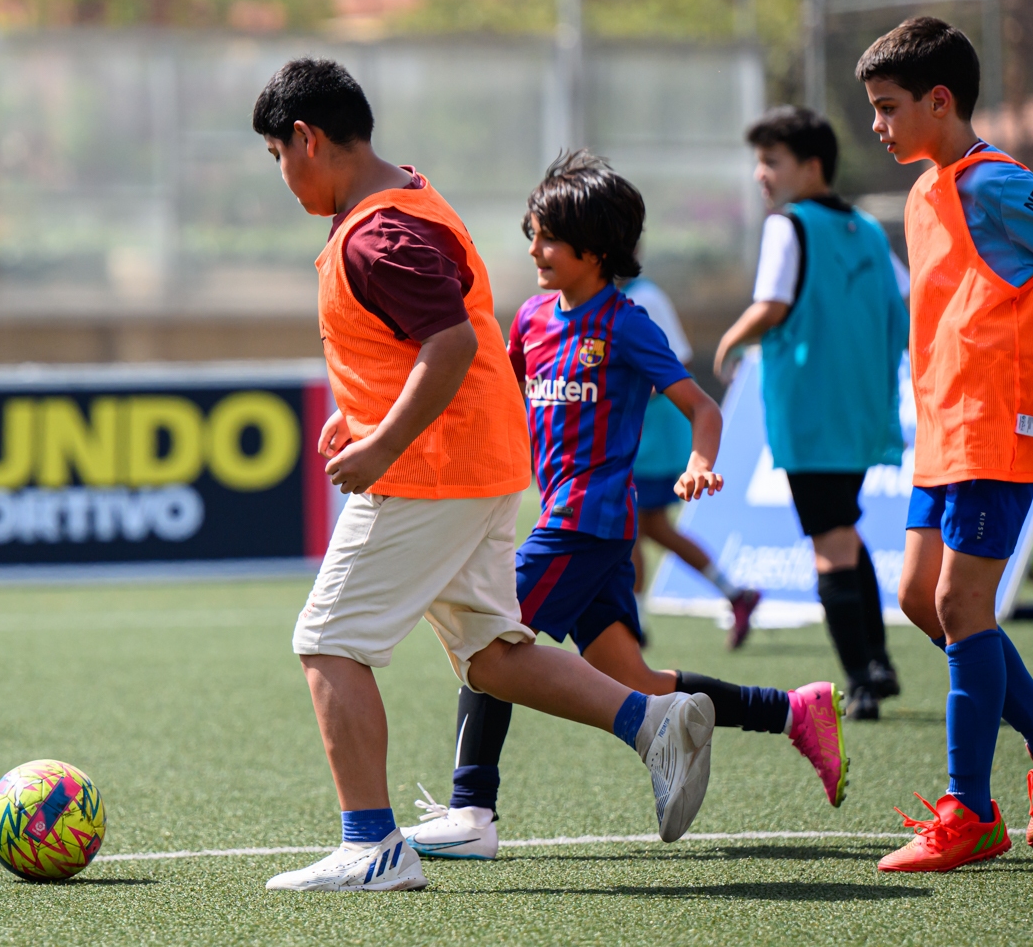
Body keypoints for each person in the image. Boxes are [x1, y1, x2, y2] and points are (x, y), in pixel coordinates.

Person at [254, 60, 717, 893]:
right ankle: (652, 721)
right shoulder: (407, 201)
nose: (281, 175)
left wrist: (384, 443)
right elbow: (425, 341)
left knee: (327, 642)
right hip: (479, 461)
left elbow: (452, 345)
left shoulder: (377, 234)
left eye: (277, 156)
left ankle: (372, 847)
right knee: (493, 656)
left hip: (431, 471)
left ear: (306, 138)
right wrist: (362, 415)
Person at [399, 152, 848, 862]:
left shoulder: (626, 324)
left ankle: (472, 810)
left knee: (490, 640)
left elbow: (702, 408)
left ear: (598, 250)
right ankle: (794, 711)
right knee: (633, 681)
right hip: (566, 521)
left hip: (588, 524)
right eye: (532, 233)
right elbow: (496, 401)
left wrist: (700, 464)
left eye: (550, 238)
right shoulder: (532, 320)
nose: (534, 250)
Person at [856, 17, 1033, 872]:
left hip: (999, 423)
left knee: (961, 605)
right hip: (943, 429)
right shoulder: (922, 192)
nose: (877, 124)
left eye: (889, 107)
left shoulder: (996, 182)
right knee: (919, 597)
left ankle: (969, 811)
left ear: (940, 101)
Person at [712, 107, 909, 718]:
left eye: (771, 161)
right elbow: (903, 300)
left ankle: (862, 678)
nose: (760, 174)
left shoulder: (788, 225)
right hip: (863, 409)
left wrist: (730, 339)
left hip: (809, 414)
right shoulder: (867, 229)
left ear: (811, 166)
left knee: (829, 541)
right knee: (844, 529)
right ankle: (879, 661)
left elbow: (772, 304)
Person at [618, 273, 761, 648]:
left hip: (654, 430)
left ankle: (635, 624)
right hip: (639, 429)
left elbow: (676, 361)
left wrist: (619, 394)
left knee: (629, 524)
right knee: (652, 526)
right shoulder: (607, 298)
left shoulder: (643, 296)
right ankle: (735, 594)